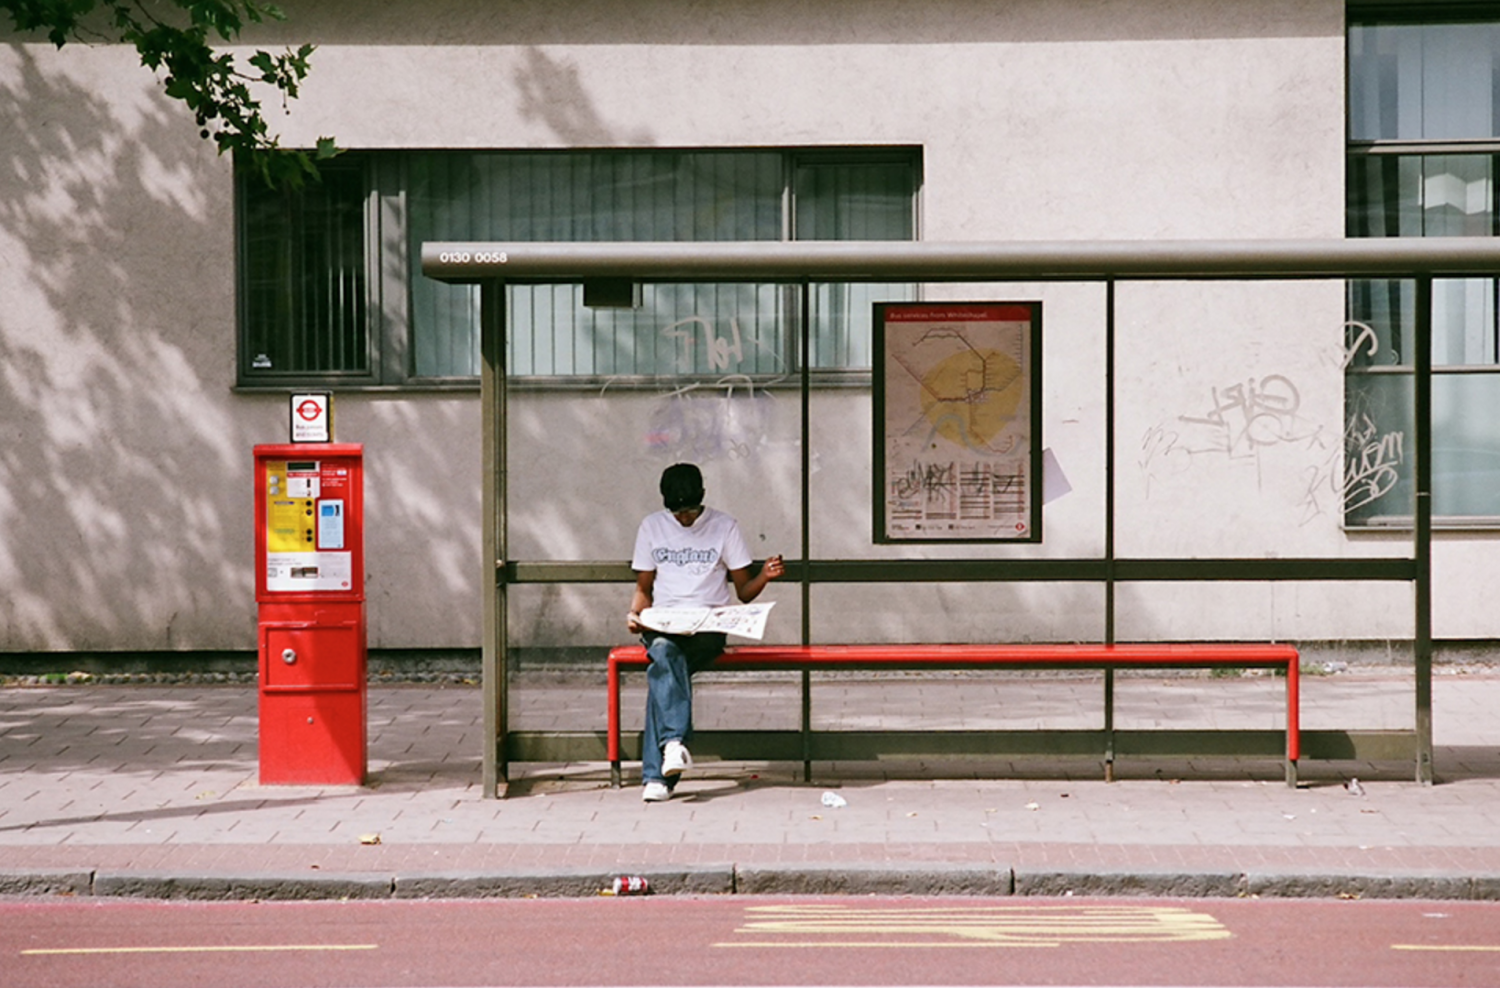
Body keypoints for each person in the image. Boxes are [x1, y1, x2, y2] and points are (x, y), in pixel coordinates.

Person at [626, 463, 784, 802]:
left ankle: (659, 770)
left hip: (708, 625)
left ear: (703, 498)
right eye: (678, 512)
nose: (685, 518)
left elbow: (743, 590)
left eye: (692, 510)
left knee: (665, 672)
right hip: (665, 622)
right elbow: (644, 586)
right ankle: (672, 748)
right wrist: (636, 615)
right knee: (666, 654)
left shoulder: (724, 527)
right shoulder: (652, 527)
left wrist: (765, 577)